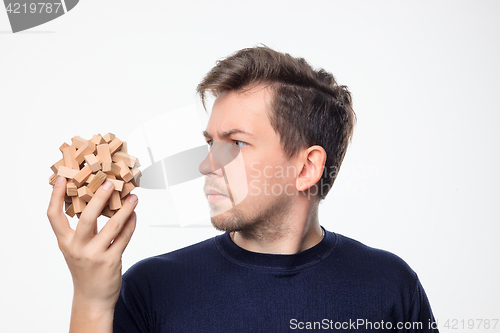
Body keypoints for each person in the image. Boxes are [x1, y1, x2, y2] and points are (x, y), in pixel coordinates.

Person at [47, 46, 439, 332]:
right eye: (210, 143)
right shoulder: (151, 288)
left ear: (306, 168)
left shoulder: (389, 287)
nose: (206, 165)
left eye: (235, 143)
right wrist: (92, 300)